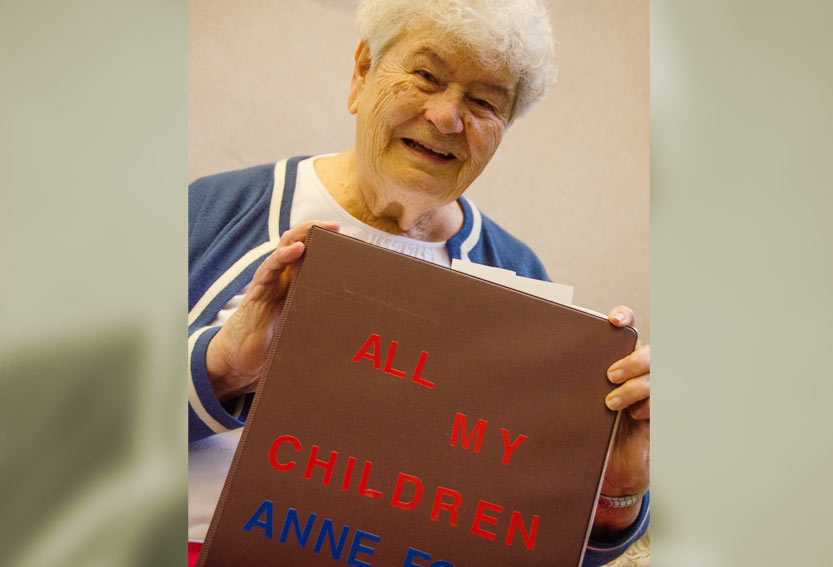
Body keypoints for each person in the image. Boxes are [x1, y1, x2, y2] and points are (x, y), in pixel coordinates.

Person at [188, 0, 650, 565]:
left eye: (483, 103)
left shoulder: (521, 284)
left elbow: (526, 539)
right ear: (362, 72)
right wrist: (224, 365)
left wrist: (614, 488)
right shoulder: (210, 215)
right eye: (426, 76)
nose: (446, 116)